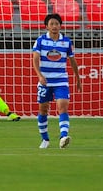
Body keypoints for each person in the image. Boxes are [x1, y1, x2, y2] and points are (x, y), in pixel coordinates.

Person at [33, 13, 81, 149]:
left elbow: (72, 61)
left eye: (56, 24)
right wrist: (40, 76)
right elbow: (35, 59)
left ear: (60, 25)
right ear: (47, 26)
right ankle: (45, 139)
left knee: (63, 106)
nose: (54, 26)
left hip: (61, 80)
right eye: (51, 24)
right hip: (45, 81)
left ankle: (63, 136)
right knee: (43, 109)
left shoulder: (66, 41)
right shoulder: (41, 41)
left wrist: (78, 79)